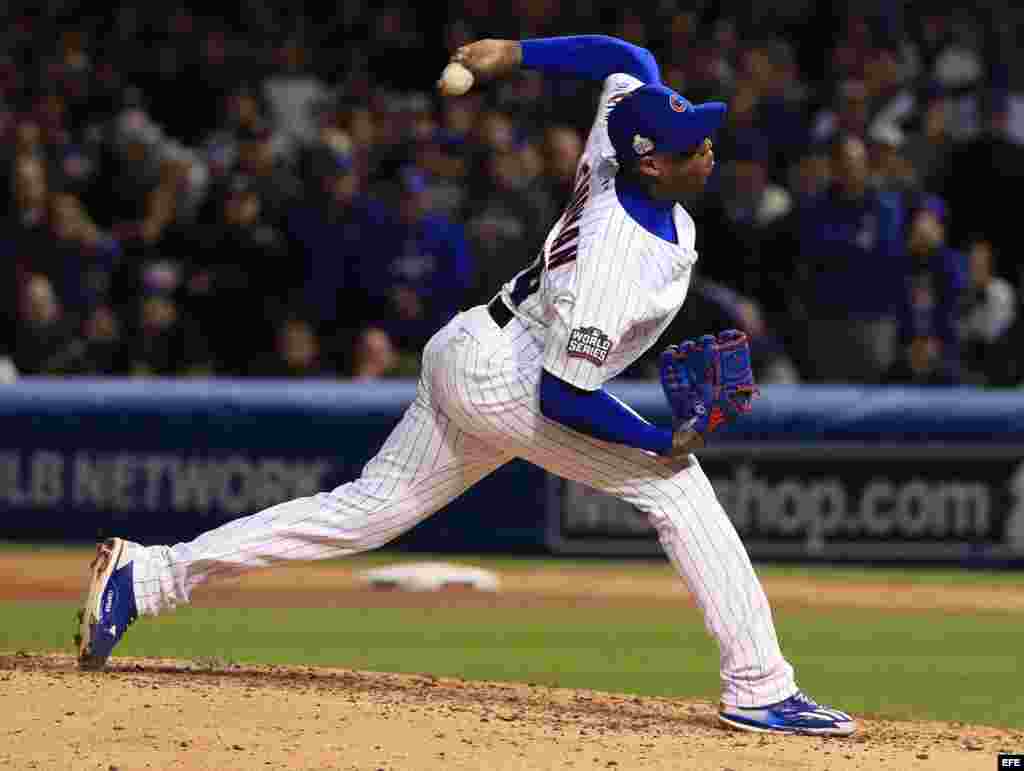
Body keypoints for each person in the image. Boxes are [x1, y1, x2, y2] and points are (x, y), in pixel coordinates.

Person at [76, 35, 855, 737]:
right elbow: (561, 397)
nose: (709, 150)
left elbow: (627, 60)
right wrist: (661, 439)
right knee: (674, 485)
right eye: (692, 146)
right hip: (510, 377)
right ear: (651, 162)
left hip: (477, 342)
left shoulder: (619, 141)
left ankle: (148, 576)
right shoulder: (616, 257)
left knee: (366, 510)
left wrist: (514, 53)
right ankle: (760, 686)